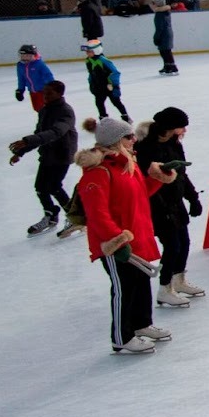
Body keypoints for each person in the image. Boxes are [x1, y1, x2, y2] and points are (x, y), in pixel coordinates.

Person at [78, 116, 179, 355]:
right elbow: (97, 214)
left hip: (137, 237)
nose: (134, 139)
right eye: (128, 136)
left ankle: (142, 324)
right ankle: (122, 337)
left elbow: (140, 194)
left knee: (140, 283)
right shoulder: (98, 172)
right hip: (116, 244)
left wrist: (159, 176)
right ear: (114, 141)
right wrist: (117, 241)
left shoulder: (126, 165)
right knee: (124, 288)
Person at [135, 107, 205, 308]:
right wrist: (163, 206)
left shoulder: (174, 144)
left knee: (184, 243)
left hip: (175, 202)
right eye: (182, 127)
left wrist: (193, 198)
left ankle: (178, 280)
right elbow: (145, 182)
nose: (184, 131)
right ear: (170, 127)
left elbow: (181, 174)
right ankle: (165, 288)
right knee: (172, 246)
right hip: (158, 206)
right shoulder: (145, 148)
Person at [8, 79, 76, 235]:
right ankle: (51, 214)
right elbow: (39, 134)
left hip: (62, 155)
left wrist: (27, 141)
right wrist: (20, 152)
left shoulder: (65, 111)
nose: (45, 96)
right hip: (47, 154)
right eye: (44, 93)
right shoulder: (44, 110)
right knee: (40, 187)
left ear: (59, 94)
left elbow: (56, 132)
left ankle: (75, 217)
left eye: (49, 93)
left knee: (54, 186)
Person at [82, 41, 131, 121]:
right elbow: (91, 73)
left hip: (109, 86)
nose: (87, 53)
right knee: (99, 103)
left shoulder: (103, 60)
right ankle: (103, 118)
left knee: (116, 102)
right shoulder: (88, 61)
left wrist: (114, 85)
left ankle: (125, 116)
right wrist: (91, 84)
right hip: (98, 87)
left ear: (96, 51)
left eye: (89, 51)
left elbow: (115, 72)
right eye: (86, 51)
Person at [15, 44, 56, 113]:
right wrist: (20, 89)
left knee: (48, 109)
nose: (24, 58)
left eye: (27, 56)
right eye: (22, 56)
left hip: (43, 92)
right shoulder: (20, 66)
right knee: (38, 108)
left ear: (33, 55)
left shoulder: (39, 64)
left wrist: (52, 88)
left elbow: (48, 76)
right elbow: (21, 79)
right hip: (33, 92)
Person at [150, 0, 178, 75]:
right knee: (164, 51)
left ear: (157, 4)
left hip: (164, 34)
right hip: (167, 33)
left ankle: (172, 67)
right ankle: (167, 66)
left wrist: (156, 37)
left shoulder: (160, 14)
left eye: (154, 4)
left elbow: (160, 27)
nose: (152, 6)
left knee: (166, 51)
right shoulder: (165, 12)